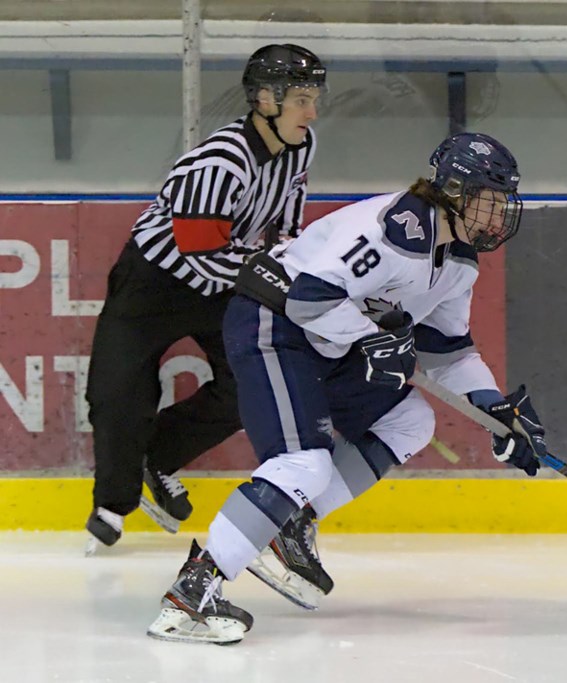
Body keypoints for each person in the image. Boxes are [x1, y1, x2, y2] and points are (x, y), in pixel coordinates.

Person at [146, 132, 551, 644]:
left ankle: (292, 527)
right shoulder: (390, 234)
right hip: (274, 324)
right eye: (488, 202)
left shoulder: (458, 261)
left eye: (501, 204)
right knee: (303, 463)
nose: (497, 218)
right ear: (452, 190)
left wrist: (495, 409)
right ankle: (190, 597)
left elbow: (448, 351)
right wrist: (371, 340)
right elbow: (308, 303)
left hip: (328, 338)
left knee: (409, 420)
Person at [84, 44, 327, 550]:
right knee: (117, 394)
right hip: (153, 283)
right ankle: (112, 503)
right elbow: (200, 254)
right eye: (302, 98)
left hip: (225, 279)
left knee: (249, 388)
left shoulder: (301, 146)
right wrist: (280, 285)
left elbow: (284, 223)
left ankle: (156, 456)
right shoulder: (218, 163)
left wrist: (288, 264)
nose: (313, 110)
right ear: (264, 99)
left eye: (314, 97)